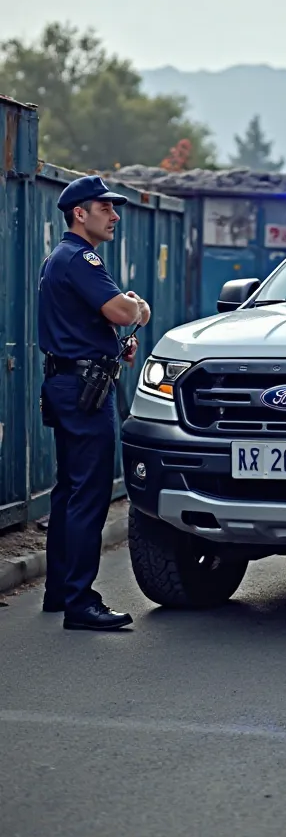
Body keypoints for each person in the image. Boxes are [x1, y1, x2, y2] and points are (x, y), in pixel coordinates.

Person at [38, 175, 151, 631]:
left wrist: (109, 343)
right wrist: (137, 307)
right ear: (79, 214)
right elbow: (123, 311)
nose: (115, 215)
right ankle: (80, 603)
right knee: (89, 494)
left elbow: (91, 321)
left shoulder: (58, 258)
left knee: (69, 491)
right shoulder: (82, 258)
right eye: (106, 208)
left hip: (68, 383)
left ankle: (58, 591)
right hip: (85, 392)